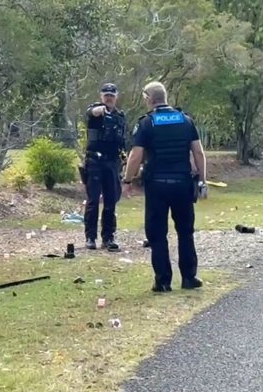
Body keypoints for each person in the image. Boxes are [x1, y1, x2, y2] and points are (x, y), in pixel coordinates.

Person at [122, 81, 206, 292]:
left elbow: (135, 156)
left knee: (158, 234)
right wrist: (202, 180)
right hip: (182, 184)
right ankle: (189, 278)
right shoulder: (186, 121)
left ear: (149, 98)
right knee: (185, 231)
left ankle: (163, 281)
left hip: (157, 185)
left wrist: (127, 181)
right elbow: (198, 152)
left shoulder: (147, 123)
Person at [82, 82, 127, 251]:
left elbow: (124, 139)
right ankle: (90, 237)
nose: (109, 98)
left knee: (111, 201)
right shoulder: (95, 111)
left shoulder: (120, 117)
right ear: (101, 96)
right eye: (106, 95)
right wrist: (98, 110)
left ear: (116, 97)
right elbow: (90, 112)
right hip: (95, 162)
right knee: (93, 201)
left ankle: (108, 237)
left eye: (112, 95)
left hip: (112, 162)